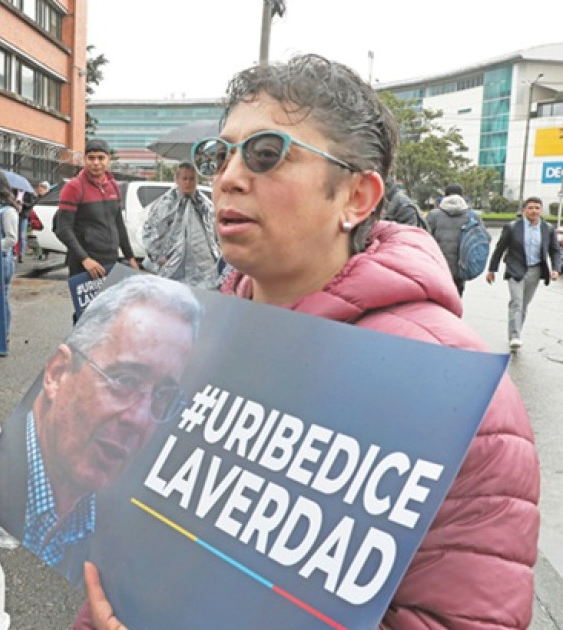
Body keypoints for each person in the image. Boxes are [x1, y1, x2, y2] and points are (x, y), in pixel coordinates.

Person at [76, 54, 538, 629]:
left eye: (266, 153)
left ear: (357, 197)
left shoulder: (452, 388)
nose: (229, 177)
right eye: (221, 155)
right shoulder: (187, 336)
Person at [0, 273, 202, 584]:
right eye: (124, 380)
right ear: (57, 373)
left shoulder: (128, 530)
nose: (139, 419)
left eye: (163, 397)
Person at [54, 138, 139, 282]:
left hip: (110, 261)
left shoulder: (113, 186)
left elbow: (118, 224)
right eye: (91, 158)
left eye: (101, 158)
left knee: (111, 304)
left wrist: (130, 257)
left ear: (108, 160)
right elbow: (63, 229)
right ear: (84, 159)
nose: (96, 163)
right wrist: (85, 259)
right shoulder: (74, 187)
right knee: (91, 306)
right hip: (84, 265)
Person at [486, 196, 561, 351]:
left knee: (524, 305)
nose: (534, 211)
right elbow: (499, 249)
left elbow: (555, 250)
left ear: (541, 210)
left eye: (537, 208)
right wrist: (492, 269)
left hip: (535, 270)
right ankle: (514, 336)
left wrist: (555, 269)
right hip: (516, 269)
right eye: (530, 208)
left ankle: (517, 331)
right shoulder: (513, 227)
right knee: (516, 302)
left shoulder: (547, 228)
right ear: (524, 210)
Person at [142, 162, 220, 288]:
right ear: (177, 180)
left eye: (191, 179)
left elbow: (216, 233)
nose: (188, 182)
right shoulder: (165, 204)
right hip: (172, 267)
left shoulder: (205, 205)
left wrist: (215, 257)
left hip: (202, 269)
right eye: (184, 178)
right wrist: (157, 257)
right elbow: (150, 231)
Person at [426, 183, 473, 295]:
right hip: (461, 267)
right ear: (462, 196)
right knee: (456, 298)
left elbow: (423, 238)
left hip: (437, 267)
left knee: (438, 300)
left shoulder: (433, 215)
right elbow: (484, 238)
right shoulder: (471, 216)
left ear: (445, 196)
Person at [0, 171, 19, 353]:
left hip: (2, 260)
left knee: (2, 298)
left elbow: (12, 239)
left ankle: (3, 339)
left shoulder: (7, 211)